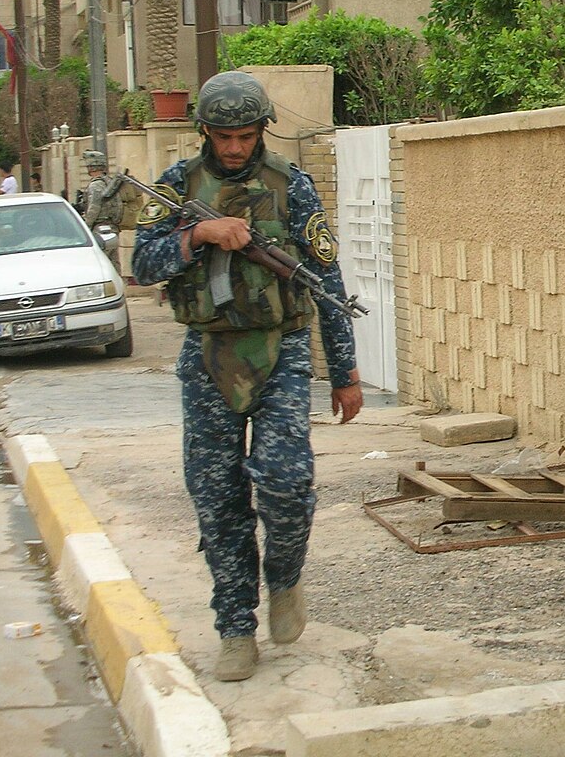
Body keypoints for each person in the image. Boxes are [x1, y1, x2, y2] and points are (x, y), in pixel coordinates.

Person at [132, 71, 363, 683]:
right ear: (204, 130)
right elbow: (143, 263)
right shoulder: (178, 186)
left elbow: (326, 281)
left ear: (263, 128)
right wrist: (199, 234)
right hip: (207, 354)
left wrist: (345, 371)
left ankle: (284, 579)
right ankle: (235, 628)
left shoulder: (294, 187)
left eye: (245, 135)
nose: (234, 147)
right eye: (223, 135)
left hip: (280, 350)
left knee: (286, 479)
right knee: (218, 500)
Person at [81, 151, 124, 269]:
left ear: (91, 167)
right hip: (113, 227)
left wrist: (86, 227)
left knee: (101, 262)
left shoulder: (95, 185)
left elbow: (94, 208)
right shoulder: (110, 181)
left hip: (100, 228)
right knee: (113, 261)